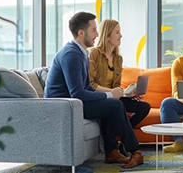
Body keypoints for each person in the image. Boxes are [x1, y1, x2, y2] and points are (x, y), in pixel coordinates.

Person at [44, 12, 143, 169]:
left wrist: (110, 96)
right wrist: (109, 94)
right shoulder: (71, 54)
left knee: (113, 104)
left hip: (74, 103)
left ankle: (112, 152)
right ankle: (135, 152)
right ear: (81, 33)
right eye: (94, 30)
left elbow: (87, 88)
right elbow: (77, 93)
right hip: (64, 107)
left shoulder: (81, 53)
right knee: (115, 106)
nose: (97, 34)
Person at [88, 19, 151, 128]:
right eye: (117, 32)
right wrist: (112, 92)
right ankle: (124, 137)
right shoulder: (94, 53)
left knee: (144, 107)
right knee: (115, 106)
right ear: (107, 36)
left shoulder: (118, 59)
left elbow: (116, 86)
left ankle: (124, 132)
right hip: (100, 97)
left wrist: (128, 94)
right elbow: (90, 84)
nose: (120, 36)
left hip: (114, 97)